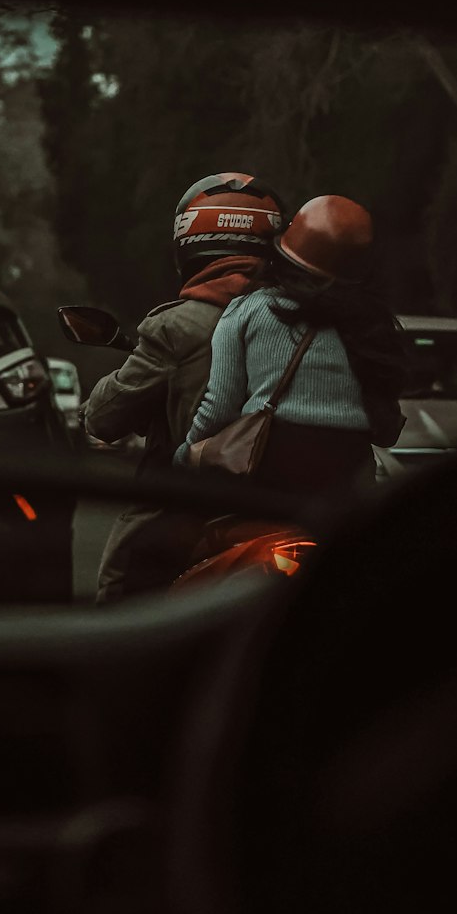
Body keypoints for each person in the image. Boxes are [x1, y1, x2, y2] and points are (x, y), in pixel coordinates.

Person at [83, 172, 287, 602]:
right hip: (292, 505)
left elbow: (104, 418)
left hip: (191, 511)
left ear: (189, 241)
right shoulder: (305, 317)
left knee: (120, 591)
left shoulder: (177, 325)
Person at [174, 195, 406, 492]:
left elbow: (219, 407)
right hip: (351, 467)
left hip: (273, 461)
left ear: (282, 252)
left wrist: (184, 456)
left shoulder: (248, 309)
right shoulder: (373, 325)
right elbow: (387, 428)